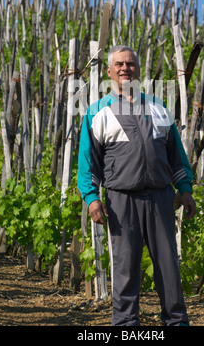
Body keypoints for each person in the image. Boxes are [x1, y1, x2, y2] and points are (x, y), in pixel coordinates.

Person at [77, 45, 196, 326]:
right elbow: (88, 163)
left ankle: (176, 322)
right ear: (109, 72)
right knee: (126, 270)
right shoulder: (97, 113)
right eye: (119, 64)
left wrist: (186, 189)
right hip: (121, 201)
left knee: (168, 267)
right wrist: (92, 198)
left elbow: (175, 155)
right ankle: (126, 326)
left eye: (130, 64)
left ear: (138, 70)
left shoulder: (158, 108)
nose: (125, 69)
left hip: (160, 197)